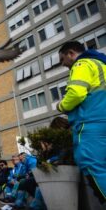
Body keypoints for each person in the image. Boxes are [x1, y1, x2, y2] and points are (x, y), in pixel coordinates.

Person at [57, 41, 106, 203]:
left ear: (71, 53)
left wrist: (61, 105)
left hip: (92, 122)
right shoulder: (102, 64)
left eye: (62, 59)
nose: (63, 64)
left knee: (92, 166)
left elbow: (76, 94)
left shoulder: (82, 64)